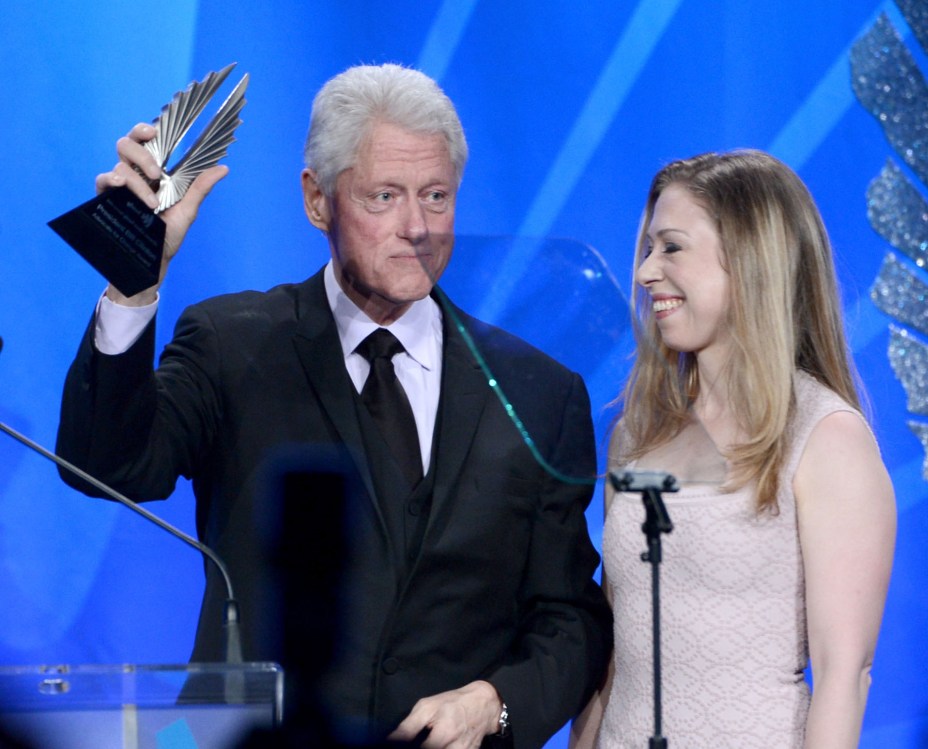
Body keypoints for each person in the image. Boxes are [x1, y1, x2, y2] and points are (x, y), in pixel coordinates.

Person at [56, 63, 612, 748]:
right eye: (384, 195)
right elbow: (103, 464)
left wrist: (494, 703)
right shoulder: (233, 344)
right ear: (317, 199)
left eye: (436, 196)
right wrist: (133, 277)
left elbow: (570, 616)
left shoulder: (540, 391)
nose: (417, 226)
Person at [570, 150, 895, 749]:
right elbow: (614, 657)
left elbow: (845, 676)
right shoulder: (636, 434)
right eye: (647, 249)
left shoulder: (827, 438)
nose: (644, 272)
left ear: (750, 260)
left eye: (670, 247)